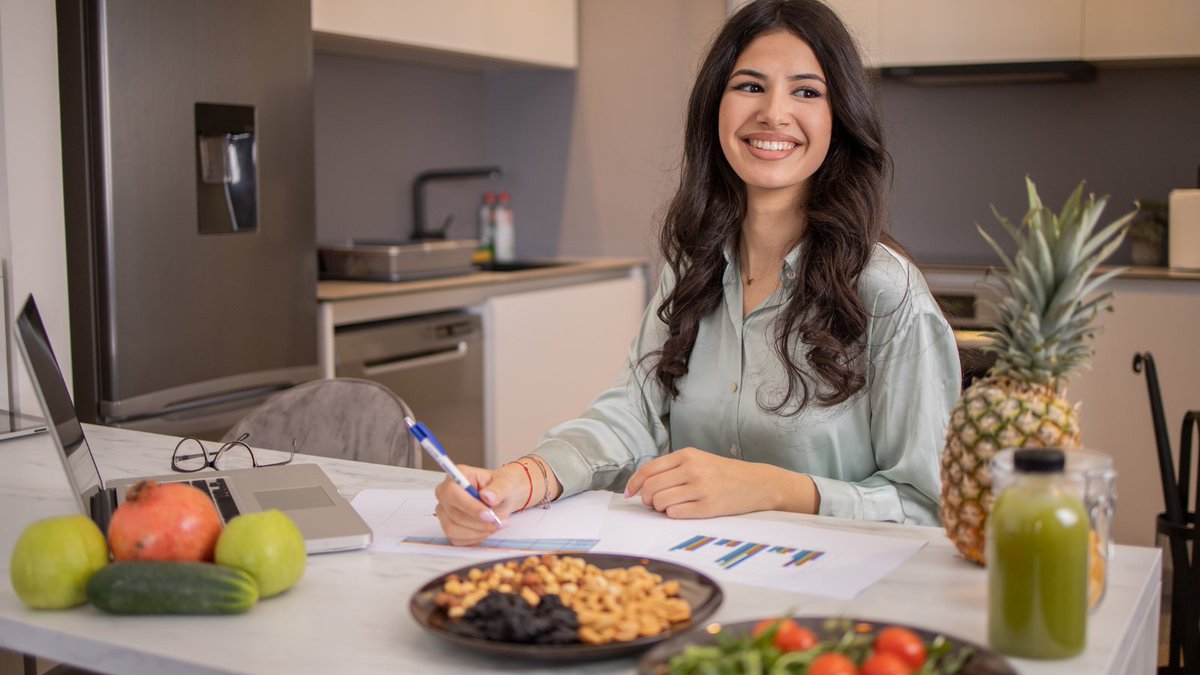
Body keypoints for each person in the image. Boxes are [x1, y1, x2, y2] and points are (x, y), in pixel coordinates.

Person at [434, 0, 961, 545]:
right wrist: (521, 481)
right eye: (750, 86)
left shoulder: (887, 291)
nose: (774, 113)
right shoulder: (694, 264)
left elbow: (929, 506)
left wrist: (774, 488)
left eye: (806, 91)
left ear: (840, 118)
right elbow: (631, 414)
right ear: (716, 106)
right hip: (695, 574)